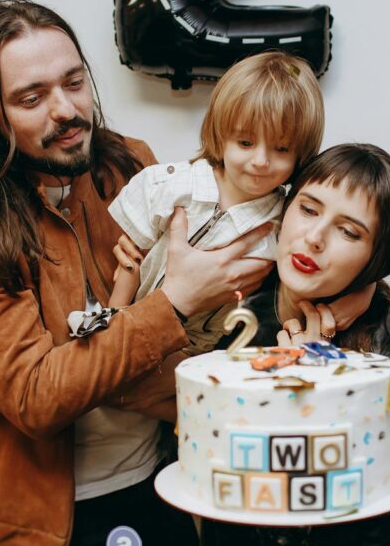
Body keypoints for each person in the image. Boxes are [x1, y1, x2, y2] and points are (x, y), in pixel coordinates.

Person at [0, 0, 273, 546]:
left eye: (75, 82)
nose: (66, 110)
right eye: (31, 98)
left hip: (162, 482)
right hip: (56, 520)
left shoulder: (130, 164)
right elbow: (34, 397)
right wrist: (175, 303)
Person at [201, 143, 390, 546]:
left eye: (349, 232)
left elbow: (341, 497)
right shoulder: (246, 300)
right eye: (308, 209)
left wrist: (312, 381)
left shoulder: (384, 352)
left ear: (376, 258)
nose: (314, 238)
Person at [107, 51, 324, 355]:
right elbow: (129, 261)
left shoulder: (287, 218)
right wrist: (110, 326)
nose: (261, 161)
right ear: (221, 138)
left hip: (202, 352)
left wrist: (362, 294)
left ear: (300, 153)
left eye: (281, 148)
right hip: (130, 328)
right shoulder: (170, 186)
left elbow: (327, 268)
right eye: (245, 143)